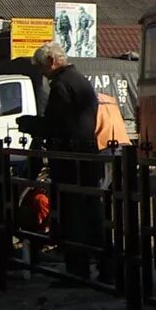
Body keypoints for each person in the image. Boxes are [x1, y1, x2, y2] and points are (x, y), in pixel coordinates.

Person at [31, 41, 101, 280]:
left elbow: (55, 124)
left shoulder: (61, 85)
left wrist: (32, 124)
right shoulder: (79, 80)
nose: (43, 73)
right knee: (92, 213)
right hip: (87, 157)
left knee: (73, 216)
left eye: (42, 67)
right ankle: (106, 268)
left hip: (70, 160)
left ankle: (77, 271)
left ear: (52, 62)